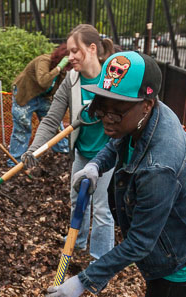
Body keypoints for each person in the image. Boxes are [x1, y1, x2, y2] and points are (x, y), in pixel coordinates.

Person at [45, 51, 186, 297]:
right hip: (169, 241)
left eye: (117, 110)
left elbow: (140, 242)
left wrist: (83, 281)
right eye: (102, 106)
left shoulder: (159, 167)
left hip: (182, 255)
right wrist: (95, 166)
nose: (107, 119)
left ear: (147, 105)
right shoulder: (143, 119)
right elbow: (118, 141)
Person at [23, 24, 118, 260]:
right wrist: (34, 149)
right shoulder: (72, 81)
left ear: (93, 48)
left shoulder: (112, 77)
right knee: (78, 201)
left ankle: (99, 259)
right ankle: (77, 242)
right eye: (69, 51)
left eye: (75, 51)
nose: (70, 56)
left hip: (108, 155)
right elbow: (51, 119)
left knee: (103, 210)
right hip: (82, 153)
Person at [6, 44, 72, 167]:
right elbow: (43, 81)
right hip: (25, 96)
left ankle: (63, 153)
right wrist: (59, 67)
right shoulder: (44, 61)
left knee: (55, 123)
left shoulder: (65, 72)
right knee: (23, 128)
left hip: (43, 98)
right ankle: (15, 162)